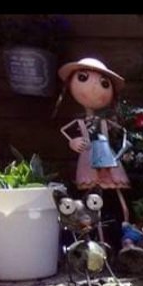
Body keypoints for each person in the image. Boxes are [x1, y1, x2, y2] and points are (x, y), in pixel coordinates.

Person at [56, 57, 131, 223]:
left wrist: (123, 147)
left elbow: (123, 131)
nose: (94, 87)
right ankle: (90, 222)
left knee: (116, 189)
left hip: (108, 158)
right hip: (89, 158)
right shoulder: (80, 122)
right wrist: (73, 142)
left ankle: (125, 220)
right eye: (83, 78)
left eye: (104, 83)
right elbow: (64, 131)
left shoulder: (106, 121)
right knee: (89, 190)